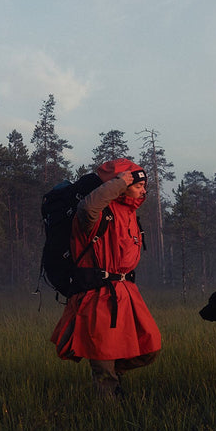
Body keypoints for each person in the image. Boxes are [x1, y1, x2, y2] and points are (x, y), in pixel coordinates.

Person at [49, 158, 162, 397]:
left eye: (144, 186)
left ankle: (113, 378)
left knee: (149, 345)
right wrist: (119, 183)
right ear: (122, 185)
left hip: (126, 292)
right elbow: (86, 209)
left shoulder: (130, 213)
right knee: (102, 355)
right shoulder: (98, 213)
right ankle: (107, 404)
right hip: (96, 294)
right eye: (138, 185)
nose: (144, 191)